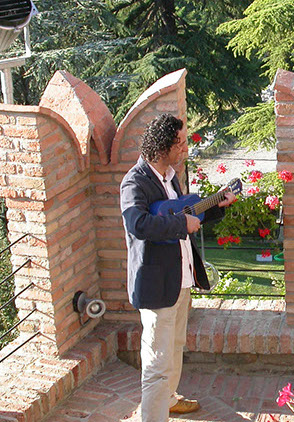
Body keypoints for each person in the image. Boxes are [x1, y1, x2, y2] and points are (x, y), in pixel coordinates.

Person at [120, 113, 236, 422]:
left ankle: (169, 400)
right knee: (157, 363)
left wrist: (214, 208)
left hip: (179, 279)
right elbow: (138, 224)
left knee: (174, 348)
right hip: (156, 286)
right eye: (180, 143)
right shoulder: (135, 182)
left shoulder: (170, 175)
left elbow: (184, 217)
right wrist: (180, 222)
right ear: (163, 146)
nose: (184, 148)